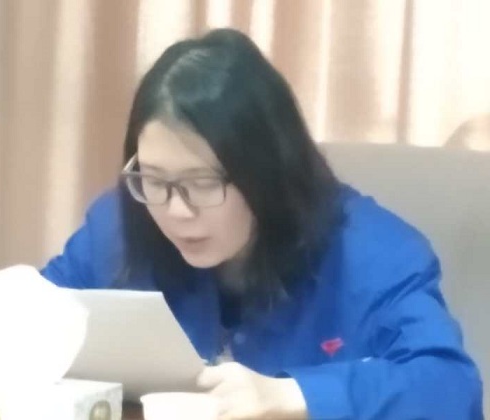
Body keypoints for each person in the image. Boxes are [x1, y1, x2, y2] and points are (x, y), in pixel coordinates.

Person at [41, 28, 483, 419]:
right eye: (155, 179)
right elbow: (35, 318)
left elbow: (450, 387)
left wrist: (293, 395)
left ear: (267, 172)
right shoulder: (121, 225)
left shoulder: (372, 254)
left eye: (203, 183)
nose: (176, 210)